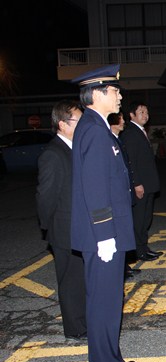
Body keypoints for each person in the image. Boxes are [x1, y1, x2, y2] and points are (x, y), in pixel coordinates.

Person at [70, 64, 145, 362]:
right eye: (115, 91)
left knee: (110, 301)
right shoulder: (94, 131)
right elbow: (95, 187)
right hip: (103, 236)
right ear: (98, 94)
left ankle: (110, 359)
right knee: (103, 303)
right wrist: (104, 237)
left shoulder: (96, 127)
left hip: (107, 233)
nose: (120, 95)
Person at [36, 100, 87, 342]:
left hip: (79, 226)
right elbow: (45, 196)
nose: (83, 124)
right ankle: (75, 328)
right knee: (70, 279)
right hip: (64, 227)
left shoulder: (73, 148)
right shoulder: (53, 154)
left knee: (81, 277)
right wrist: (49, 227)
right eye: (79, 120)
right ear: (62, 124)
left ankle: (83, 320)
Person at [120, 101, 163, 261]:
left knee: (146, 219)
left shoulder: (140, 131)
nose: (145, 115)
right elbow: (130, 161)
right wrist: (136, 183)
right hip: (141, 185)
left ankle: (144, 247)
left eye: (146, 112)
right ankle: (139, 250)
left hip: (148, 183)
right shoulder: (131, 133)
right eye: (141, 112)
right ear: (132, 115)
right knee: (139, 220)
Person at [108, 112, 140, 279]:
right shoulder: (109, 139)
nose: (123, 121)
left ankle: (124, 266)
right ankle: (122, 268)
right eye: (120, 118)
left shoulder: (118, 139)